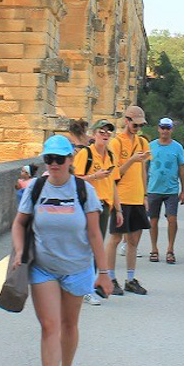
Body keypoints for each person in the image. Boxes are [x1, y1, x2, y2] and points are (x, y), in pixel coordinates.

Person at [11, 136, 113, 366]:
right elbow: (19, 224)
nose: (54, 164)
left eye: (59, 159)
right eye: (49, 159)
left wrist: (103, 273)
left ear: (70, 160)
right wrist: (20, 251)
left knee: (69, 324)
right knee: (49, 325)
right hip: (43, 266)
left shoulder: (83, 190)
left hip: (77, 267)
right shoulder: (36, 188)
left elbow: (94, 233)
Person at [106, 105, 151, 295]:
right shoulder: (115, 143)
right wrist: (132, 159)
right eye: (135, 124)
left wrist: (145, 195)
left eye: (141, 125)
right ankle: (110, 278)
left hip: (137, 197)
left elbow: (142, 170)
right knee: (116, 238)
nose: (138, 128)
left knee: (133, 240)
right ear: (127, 121)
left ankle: (130, 279)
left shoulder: (142, 143)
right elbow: (115, 173)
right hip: (121, 197)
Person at [72, 119, 117, 304]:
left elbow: (113, 183)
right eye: (102, 131)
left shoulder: (111, 156)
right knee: (85, 246)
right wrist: (94, 176)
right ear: (94, 134)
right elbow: (75, 179)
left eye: (108, 132)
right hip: (88, 204)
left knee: (98, 247)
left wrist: (118, 209)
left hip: (105, 205)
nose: (105, 135)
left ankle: (88, 286)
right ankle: (84, 287)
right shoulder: (85, 154)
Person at [146, 117, 184, 264]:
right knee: (153, 220)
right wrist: (143, 191)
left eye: (167, 128)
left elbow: (182, 168)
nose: (165, 131)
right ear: (158, 129)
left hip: (171, 190)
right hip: (153, 188)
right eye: (162, 128)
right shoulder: (150, 146)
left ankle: (170, 249)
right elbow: (145, 167)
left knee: (172, 220)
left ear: (171, 130)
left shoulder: (177, 147)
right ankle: (154, 249)